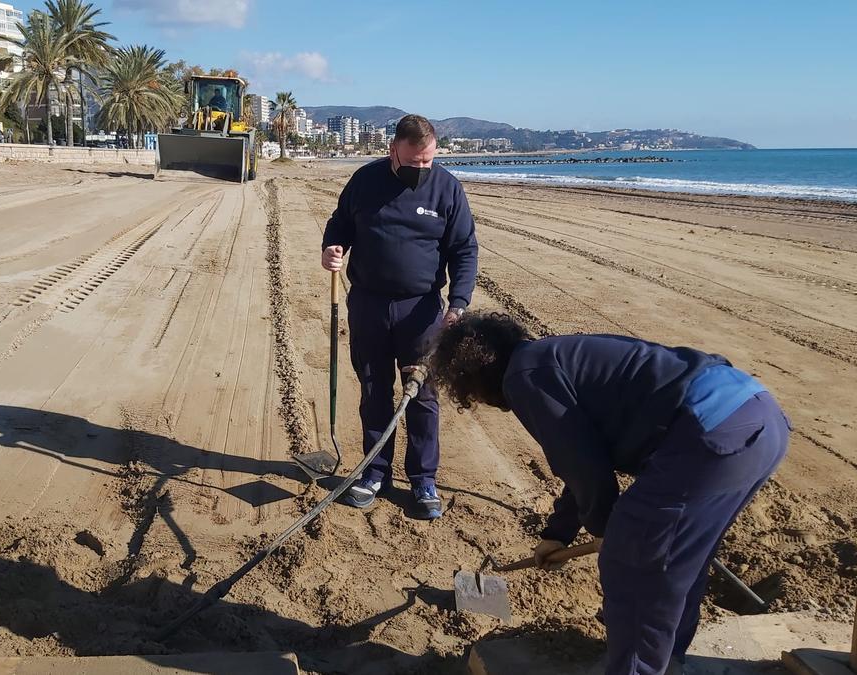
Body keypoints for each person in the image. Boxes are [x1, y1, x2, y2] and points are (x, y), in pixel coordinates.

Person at [429, 313, 789, 675]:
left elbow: (582, 465)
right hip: (758, 419)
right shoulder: (549, 358)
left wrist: (606, 531)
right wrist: (558, 534)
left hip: (709, 433)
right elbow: (584, 458)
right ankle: (668, 661)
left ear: (473, 374)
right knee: (680, 560)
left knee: (633, 562)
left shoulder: (525, 376)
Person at [321, 114, 479, 520]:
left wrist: (458, 302)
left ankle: (423, 478)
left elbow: (464, 249)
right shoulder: (365, 181)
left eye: (428, 161)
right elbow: (339, 225)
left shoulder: (447, 188)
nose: (421, 170)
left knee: (422, 396)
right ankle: (375, 473)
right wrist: (333, 248)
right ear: (393, 150)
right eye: (413, 163)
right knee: (374, 390)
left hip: (421, 309)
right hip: (369, 305)